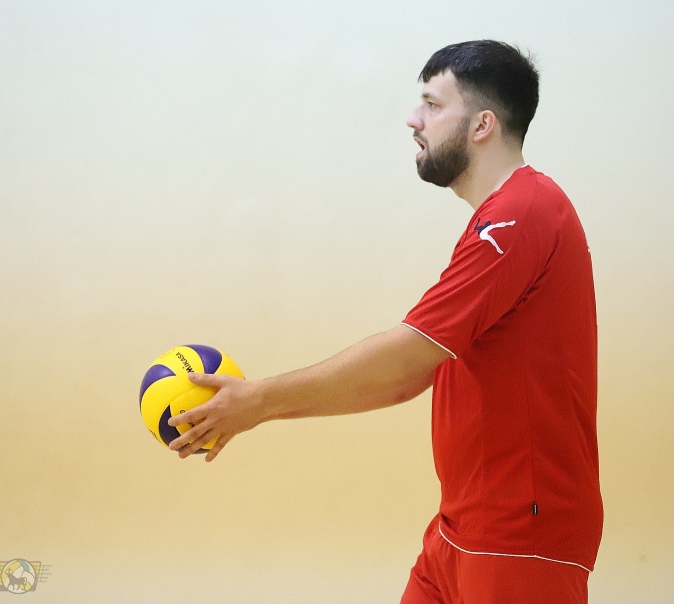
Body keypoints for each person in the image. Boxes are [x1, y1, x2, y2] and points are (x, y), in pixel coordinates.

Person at [168, 40, 602, 603]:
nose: (413, 119)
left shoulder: (522, 215)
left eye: (433, 104)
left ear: (482, 125)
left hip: (521, 537)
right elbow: (409, 376)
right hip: (461, 529)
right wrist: (258, 408)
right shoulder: (504, 216)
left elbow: (408, 355)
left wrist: (259, 401)